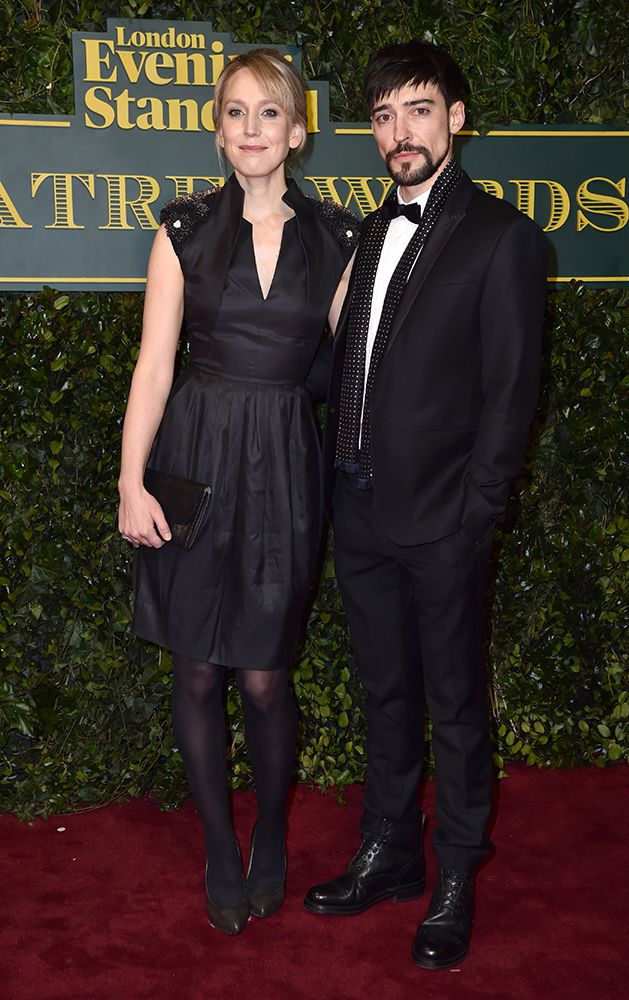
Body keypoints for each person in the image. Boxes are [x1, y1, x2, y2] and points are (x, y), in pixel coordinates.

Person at [304, 40, 547, 970]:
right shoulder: (366, 234)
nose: (396, 131)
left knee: (453, 703)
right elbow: (347, 367)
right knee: (384, 691)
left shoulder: (506, 239)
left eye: (416, 109)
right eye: (381, 115)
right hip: (358, 509)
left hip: (445, 520)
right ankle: (390, 851)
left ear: (456, 119)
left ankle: (454, 875)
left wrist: (477, 512)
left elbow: (510, 394)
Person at [117, 49, 358, 936]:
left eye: (268, 114)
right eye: (234, 113)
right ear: (217, 130)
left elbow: (368, 367)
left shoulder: (338, 239)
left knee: (262, 676)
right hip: (193, 457)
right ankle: (220, 846)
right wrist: (128, 482)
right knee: (196, 666)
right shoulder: (180, 231)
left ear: (297, 132)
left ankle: (274, 836)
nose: (249, 129)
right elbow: (152, 367)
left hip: (285, 468)